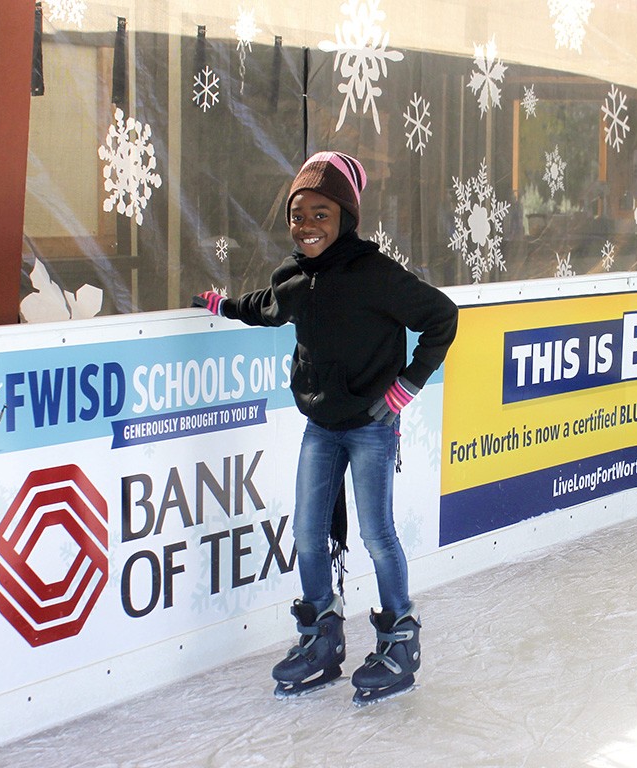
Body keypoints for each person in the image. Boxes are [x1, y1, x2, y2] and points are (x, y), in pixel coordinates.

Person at [194, 151, 458, 705]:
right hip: (320, 424)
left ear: (344, 217)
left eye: (320, 213)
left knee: (376, 534)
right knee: (309, 534)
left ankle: (399, 641)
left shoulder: (375, 273)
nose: (307, 225)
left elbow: (441, 318)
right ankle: (322, 637)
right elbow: (266, 306)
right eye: (298, 214)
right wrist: (224, 305)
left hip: (369, 427)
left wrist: (406, 386)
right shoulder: (296, 277)